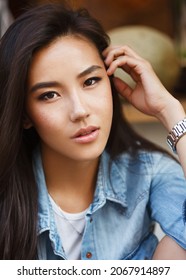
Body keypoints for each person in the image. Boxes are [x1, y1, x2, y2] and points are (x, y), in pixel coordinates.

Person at [0, 3, 185, 260]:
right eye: (49, 95)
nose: (80, 111)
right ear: (24, 115)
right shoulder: (8, 192)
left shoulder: (149, 173)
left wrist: (170, 110)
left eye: (90, 81)